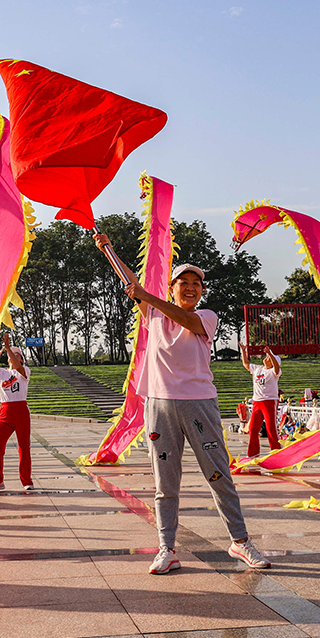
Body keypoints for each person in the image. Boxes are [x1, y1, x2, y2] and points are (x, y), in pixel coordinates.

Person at [94, 234, 270, 573]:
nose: (191, 288)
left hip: (199, 404)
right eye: (183, 283)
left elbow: (184, 319)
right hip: (159, 405)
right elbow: (129, 281)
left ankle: (240, 541)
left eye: (196, 284)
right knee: (165, 481)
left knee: (218, 474)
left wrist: (148, 297)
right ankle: (166, 548)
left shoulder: (206, 315)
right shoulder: (154, 316)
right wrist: (108, 248)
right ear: (172, 288)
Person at [0, 333, 33, 491]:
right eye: (11, 354)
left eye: (17, 355)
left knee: (24, 447)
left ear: (21, 359)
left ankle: (26, 481)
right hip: (5, 412)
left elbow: (17, 365)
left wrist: (9, 348)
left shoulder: (24, 371)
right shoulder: (1, 373)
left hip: (21, 410)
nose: (13, 356)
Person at [240, 345, 282, 457]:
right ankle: (253, 454)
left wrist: (271, 354)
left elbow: (277, 367)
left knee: (271, 429)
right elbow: (246, 364)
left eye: (269, 357)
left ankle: (277, 453)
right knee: (253, 429)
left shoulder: (274, 372)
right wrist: (243, 351)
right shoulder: (258, 369)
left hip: (269, 401)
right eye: (267, 356)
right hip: (257, 402)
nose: (266, 358)